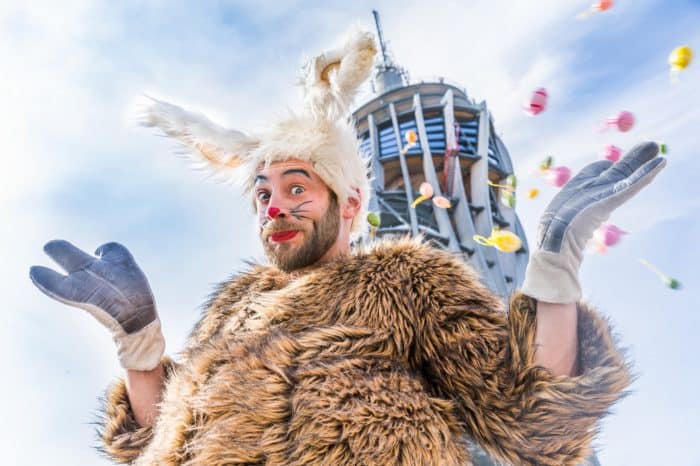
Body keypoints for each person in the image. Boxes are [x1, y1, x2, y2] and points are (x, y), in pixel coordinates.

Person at [29, 30, 665, 465]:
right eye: (262, 193)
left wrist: (553, 269)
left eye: (297, 187)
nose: (273, 206)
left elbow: (534, 421)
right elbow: (160, 438)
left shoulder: (406, 284)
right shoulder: (233, 310)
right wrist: (141, 345)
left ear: (349, 203)